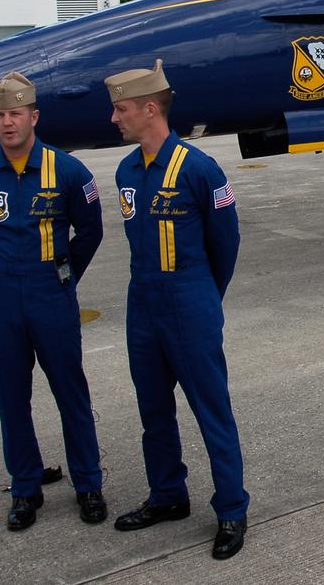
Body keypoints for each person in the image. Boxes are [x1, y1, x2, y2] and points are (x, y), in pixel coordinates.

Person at [104, 59, 250, 560]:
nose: (114, 119)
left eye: (121, 109)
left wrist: (205, 297)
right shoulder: (125, 170)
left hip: (189, 299)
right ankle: (168, 495)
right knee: (153, 411)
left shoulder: (200, 168)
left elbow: (225, 243)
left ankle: (231, 507)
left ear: (150, 109)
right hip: (142, 302)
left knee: (211, 409)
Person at [0, 71, 107, 531]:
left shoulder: (68, 171)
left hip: (51, 294)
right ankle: (25, 488)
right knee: (11, 397)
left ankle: (89, 483)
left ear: (33, 116)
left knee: (70, 392)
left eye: (15, 113)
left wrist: (63, 274)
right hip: (2, 298)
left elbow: (91, 230)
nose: (7, 123)